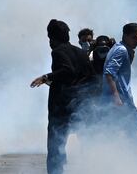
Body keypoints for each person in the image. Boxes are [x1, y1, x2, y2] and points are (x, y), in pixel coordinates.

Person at [30, 19, 96, 174]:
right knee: (86, 143)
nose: (50, 42)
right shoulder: (81, 52)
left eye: (50, 38)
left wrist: (46, 77)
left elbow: (68, 71)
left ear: (52, 38)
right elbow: (92, 78)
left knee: (56, 148)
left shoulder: (58, 51)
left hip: (61, 109)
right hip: (82, 106)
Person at [101, 23, 137, 149]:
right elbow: (109, 73)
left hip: (116, 98)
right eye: (134, 37)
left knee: (117, 132)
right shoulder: (121, 50)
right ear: (125, 36)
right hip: (120, 99)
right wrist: (116, 96)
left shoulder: (119, 47)